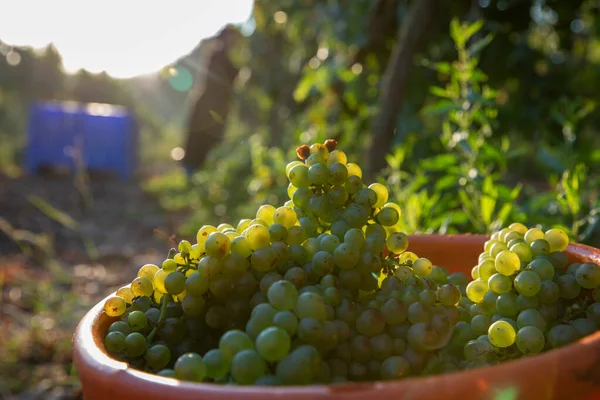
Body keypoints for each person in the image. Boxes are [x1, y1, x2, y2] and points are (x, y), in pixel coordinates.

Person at [182, 25, 241, 175]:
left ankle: (200, 176)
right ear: (223, 39)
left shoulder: (221, 56)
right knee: (200, 141)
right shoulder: (218, 56)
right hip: (208, 107)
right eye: (231, 38)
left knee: (208, 142)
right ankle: (193, 175)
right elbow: (228, 78)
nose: (233, 42)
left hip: (215, 107)